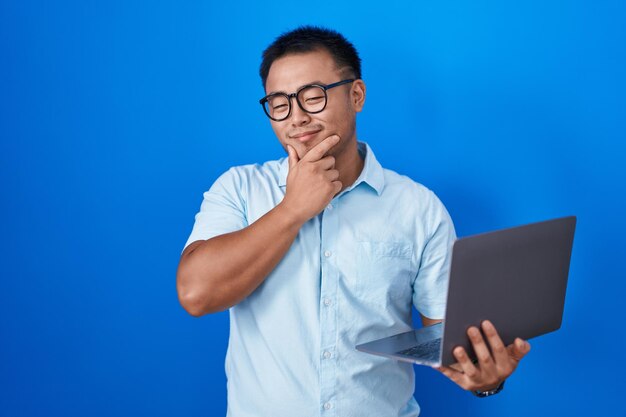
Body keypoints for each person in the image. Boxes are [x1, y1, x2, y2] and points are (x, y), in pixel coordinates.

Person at [177, 26, 531, 417]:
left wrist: (486, 378)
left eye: (313, 97)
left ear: (356, 95)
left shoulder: (417, 207)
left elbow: (450, 342)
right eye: (280, 104)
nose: (297, 117)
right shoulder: (240, 189)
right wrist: (292, 209)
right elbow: (196, 293)